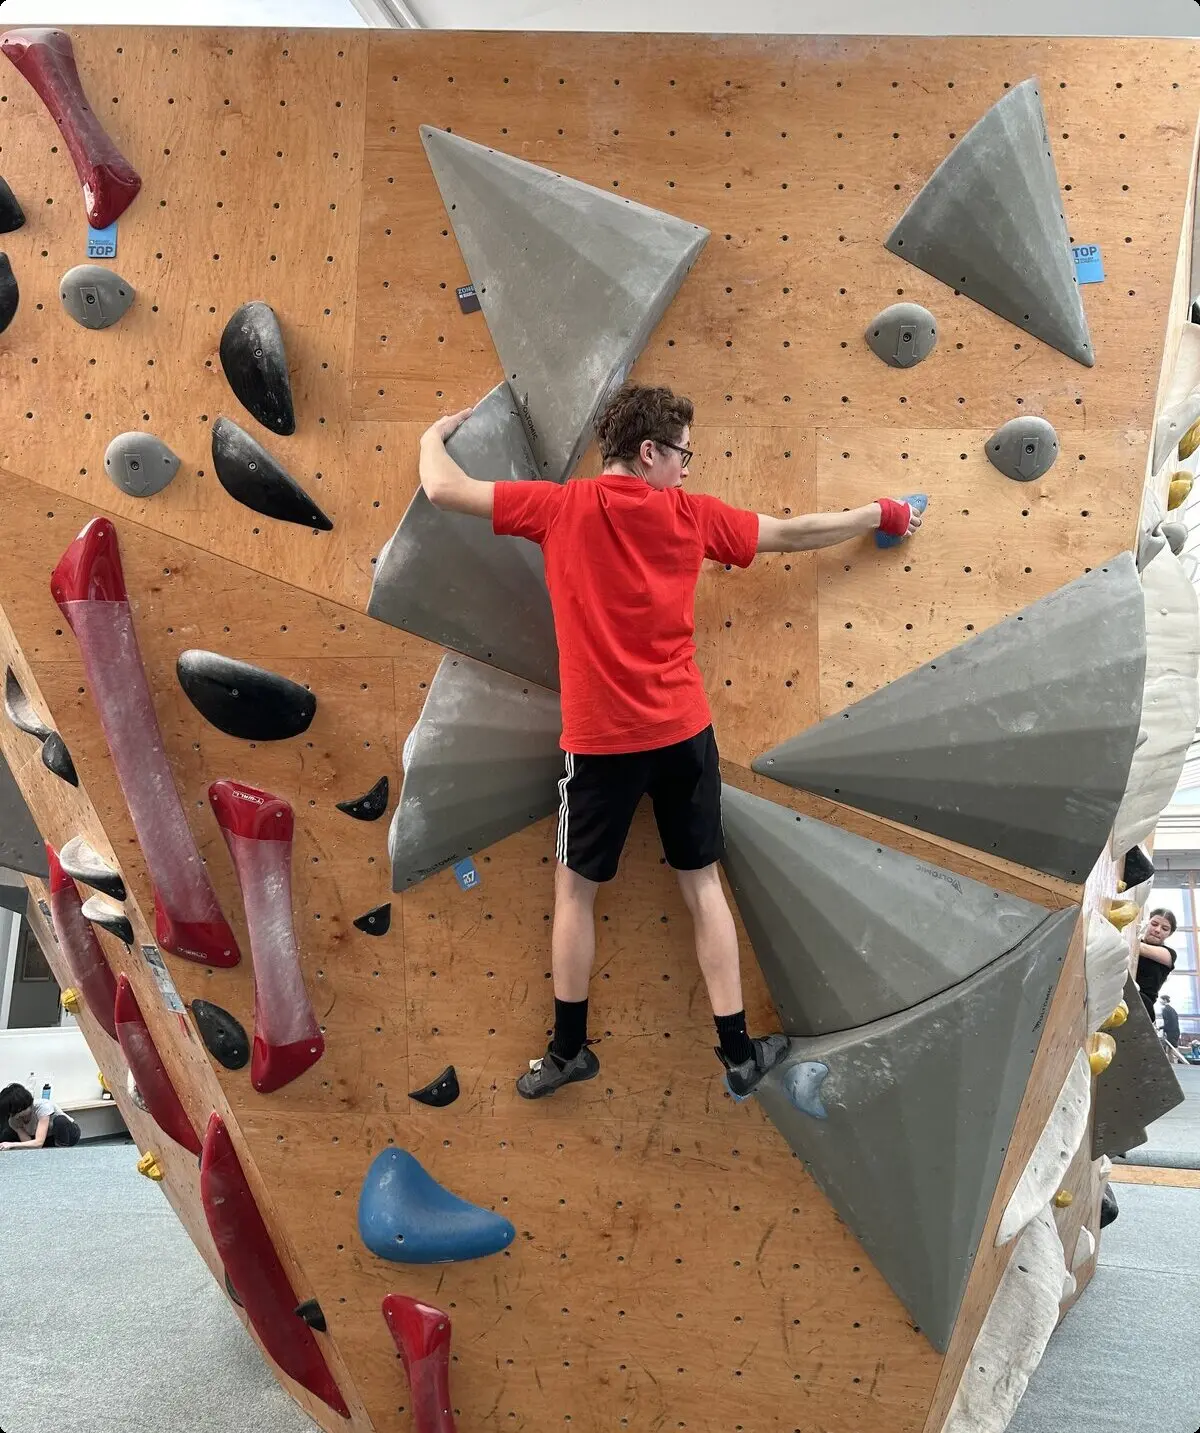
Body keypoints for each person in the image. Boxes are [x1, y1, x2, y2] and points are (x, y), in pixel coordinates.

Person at [419, 382, 923, 1101]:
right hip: (683, 733)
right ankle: (738, 1052)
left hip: (599, 745)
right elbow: (794, 531)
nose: (689, 468)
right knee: (702, 883)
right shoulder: (692, 518)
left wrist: (432, 435)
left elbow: (443, 490)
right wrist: (883, 512)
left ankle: (568, 1052)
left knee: (575, 892)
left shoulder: (558, 508)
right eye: (683, 453)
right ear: (648, 451)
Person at [0, 1082, 80, 1149]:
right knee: (7, 1133)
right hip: (47, 1138)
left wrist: (12, 1144)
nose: (11, 1115)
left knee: (60, 1121)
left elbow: (39, 1142)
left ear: (19, 1107)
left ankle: (61, 1153)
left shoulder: (43, 1106)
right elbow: (29, 1143)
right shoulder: (13, 1119)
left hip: (68, 1134)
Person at [1136, 907, 1178, 1023]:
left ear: (1169, 934)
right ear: (1147, 923)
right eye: (1154, 924)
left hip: (1141, 1005)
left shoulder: (1169, 954)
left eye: (1165, 928)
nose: (1157, 930)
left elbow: (1138, 948)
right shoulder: (1133, 942)